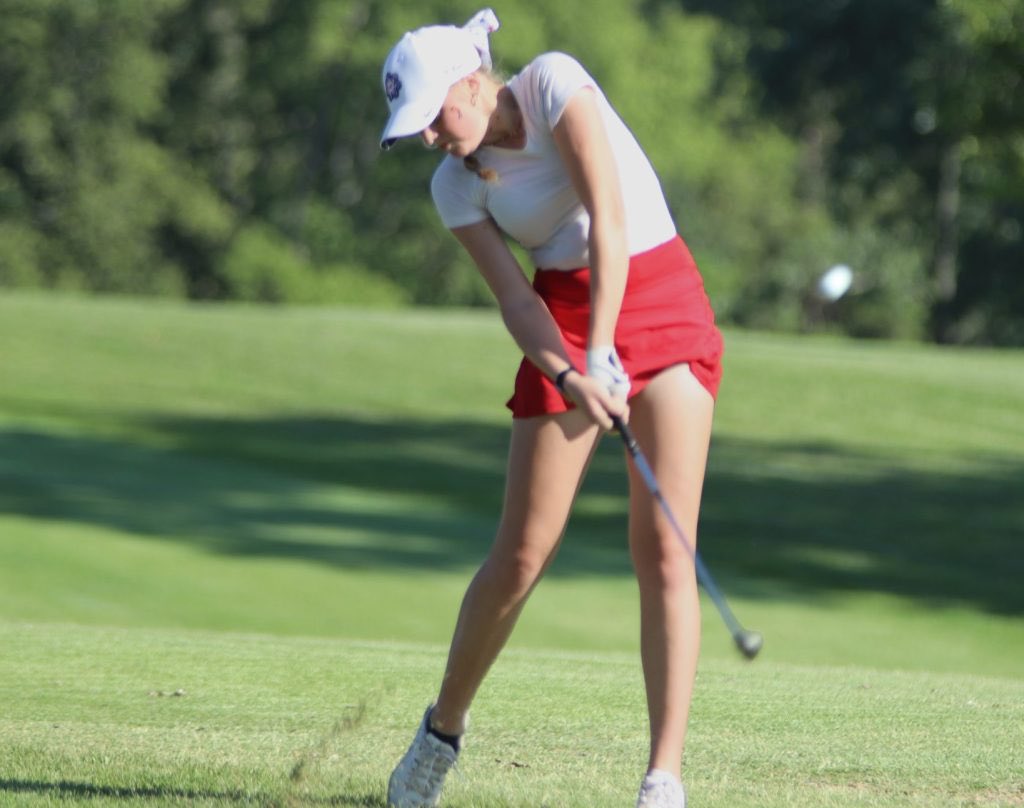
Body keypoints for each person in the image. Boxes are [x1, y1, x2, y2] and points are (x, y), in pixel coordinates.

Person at [377, 9, 723, 808]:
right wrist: (573, 374)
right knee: (521, 555)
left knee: (667, 547)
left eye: (435, 117)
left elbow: (609, 214)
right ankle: (441, 734)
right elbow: (515, 300)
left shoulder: (553, 82)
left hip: (655, 293)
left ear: (472, 80)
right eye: (417, 127)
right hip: (562, 320)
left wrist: (606, 351)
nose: (430, 137)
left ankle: (662, 779)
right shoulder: (454, 184)